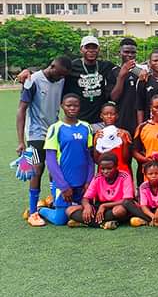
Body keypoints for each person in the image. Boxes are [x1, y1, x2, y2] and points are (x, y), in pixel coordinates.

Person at [16, 56, 71, 220]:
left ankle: (54, 202)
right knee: (36, 169)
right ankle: (33, 211)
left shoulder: (61, 79)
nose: (61, 78)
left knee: (55, 169)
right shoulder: (32, 81)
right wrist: (21, 141)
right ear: (52, 66)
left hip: (53, 131)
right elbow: (21, 110)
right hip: (35, 133)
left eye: (63, 75)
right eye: (59, 74)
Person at [27, 94, 95, 227]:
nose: (72, 108)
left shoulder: (86, 127)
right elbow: (51, 161)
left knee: (87, 209)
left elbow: (90, 158)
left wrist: (88, 181)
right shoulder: (55, 128)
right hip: (65, 183)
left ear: (79, 107)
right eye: (69, 105)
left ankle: (62, 207)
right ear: (62, 106)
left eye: (75, 105)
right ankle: (40, 210)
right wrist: (63, 186)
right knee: (60, 220)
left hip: (82, 183)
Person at [67, 153, 132, 229]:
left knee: (120, 211)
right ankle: (104, 224)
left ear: (116, 166)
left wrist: (104, 206)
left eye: (109, 168)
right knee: (69, 210)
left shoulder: (125, 176)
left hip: (116, 205)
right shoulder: (97, 177)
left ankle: (86, 222)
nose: (105, 171)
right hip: (100, 206)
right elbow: (85, 198)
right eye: (102, 169)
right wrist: (87, 206)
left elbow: (127, 200)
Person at [63, 35, 117, 126]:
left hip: (99, 120)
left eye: (94, 48)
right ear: (81, 49)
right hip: (78, 120)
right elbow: (53, 71)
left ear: (98, 49)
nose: (91, 51)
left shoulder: (106, 66)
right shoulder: (72, 66)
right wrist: (30, 72)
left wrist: (140, 72)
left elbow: (123, 70)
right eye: (87, 47)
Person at [106, 37, 144, 136]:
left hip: (141, 119)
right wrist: (121, 76)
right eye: (126, 52)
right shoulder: (114, 72)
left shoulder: (142, 71)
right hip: (122, 120)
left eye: (133, 52)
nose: (130, 55)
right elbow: (114, 97)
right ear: (120, 53)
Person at [126, 159, 158, 227]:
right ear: (145, 175)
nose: (153, 176)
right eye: (150, 174)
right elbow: (143, 206)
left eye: (156, 173)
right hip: (150, 211)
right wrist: (152, 216)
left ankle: (145, 220)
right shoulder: (143, 186)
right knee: (127, 203)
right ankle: (152, 220)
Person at [93, 102, 132, 174]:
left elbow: (127, 160)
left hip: (121, 172)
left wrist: (125, 143)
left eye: (112, 114)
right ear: (101, 116)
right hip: (104, 173)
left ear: (117, 116)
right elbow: (97, 161)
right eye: (105, 114)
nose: (109, 116)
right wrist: (95, 143)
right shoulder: (99, 134)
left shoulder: (124, 133)